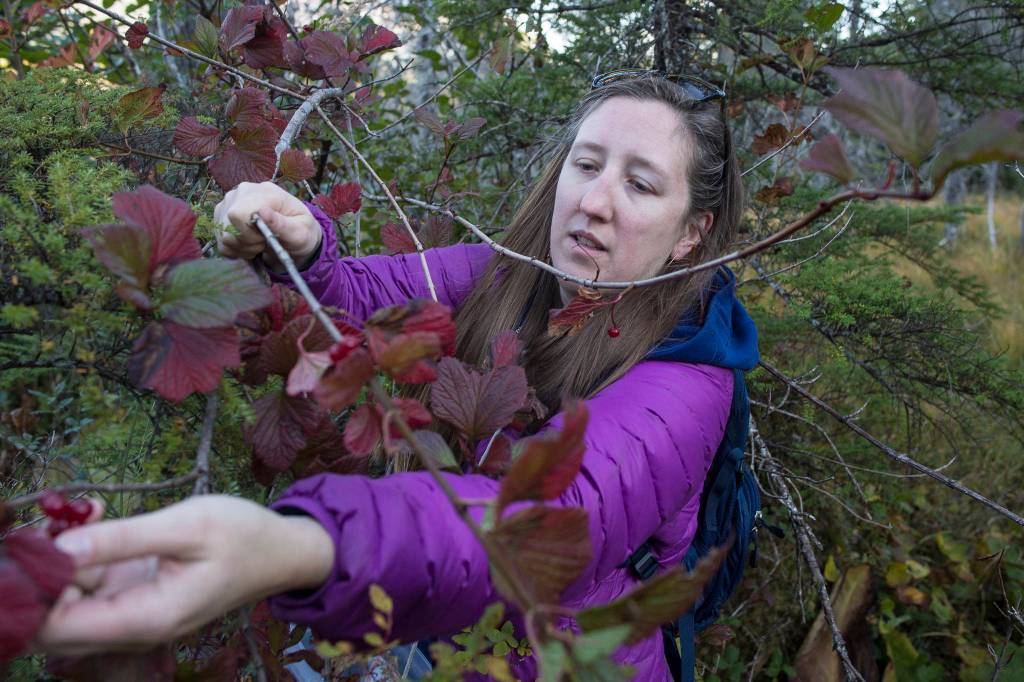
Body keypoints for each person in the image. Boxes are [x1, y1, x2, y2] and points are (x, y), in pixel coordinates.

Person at [36, 72, 758, 680]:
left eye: (639, 184)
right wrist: (306, 242)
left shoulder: (693, 381)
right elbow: (358, 297)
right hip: (435, 629)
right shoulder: (509, 278)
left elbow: (545, 525)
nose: (595, 201)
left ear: (692, 231)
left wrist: (295, 548)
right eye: (587, 163)